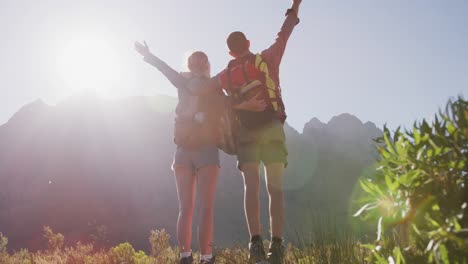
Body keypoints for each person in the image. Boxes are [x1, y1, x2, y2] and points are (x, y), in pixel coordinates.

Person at [188, 1, 302, 263]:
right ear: (248, 43)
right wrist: (295, 4)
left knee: (251, 188)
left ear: (229, 53)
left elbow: (205, 92)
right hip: (272, 129)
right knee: (276, 189)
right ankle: (277, 245)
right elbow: (284, 32)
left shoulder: (225, 76)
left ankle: (256, 244)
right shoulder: (267, 59)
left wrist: (193, 75)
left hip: (246, 135)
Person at [134, 42, 220, 264]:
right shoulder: (214, 86)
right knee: (206, 207)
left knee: (186, 208)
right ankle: (207, 258)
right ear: (207, 66)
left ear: (189, 65)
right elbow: (230, 104)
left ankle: (184, 256)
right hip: (207, 151)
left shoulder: (182, 81)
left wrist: (148, 55)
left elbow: (165, 69)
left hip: (182, 152)